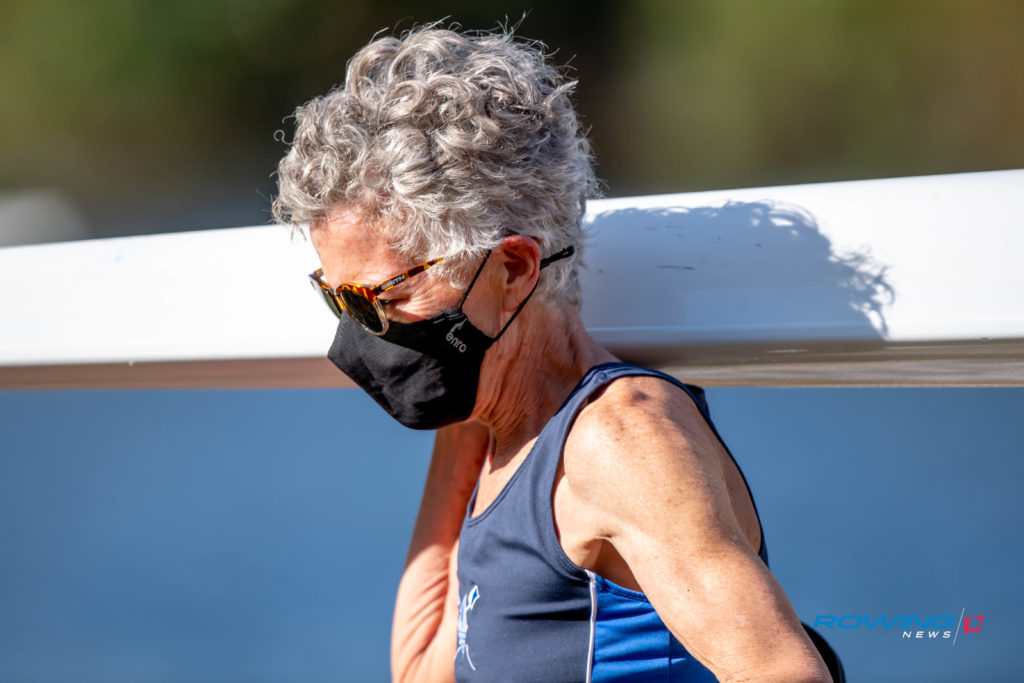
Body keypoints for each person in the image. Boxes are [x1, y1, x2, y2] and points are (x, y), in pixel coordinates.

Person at [272, 24, 832, 683]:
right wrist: (462, 416)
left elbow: (785, 671)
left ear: (513, 268)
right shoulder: (506, 437)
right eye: (339, 299)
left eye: (385, 299)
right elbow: (423, 670)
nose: (360, 334)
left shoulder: (620, 441)